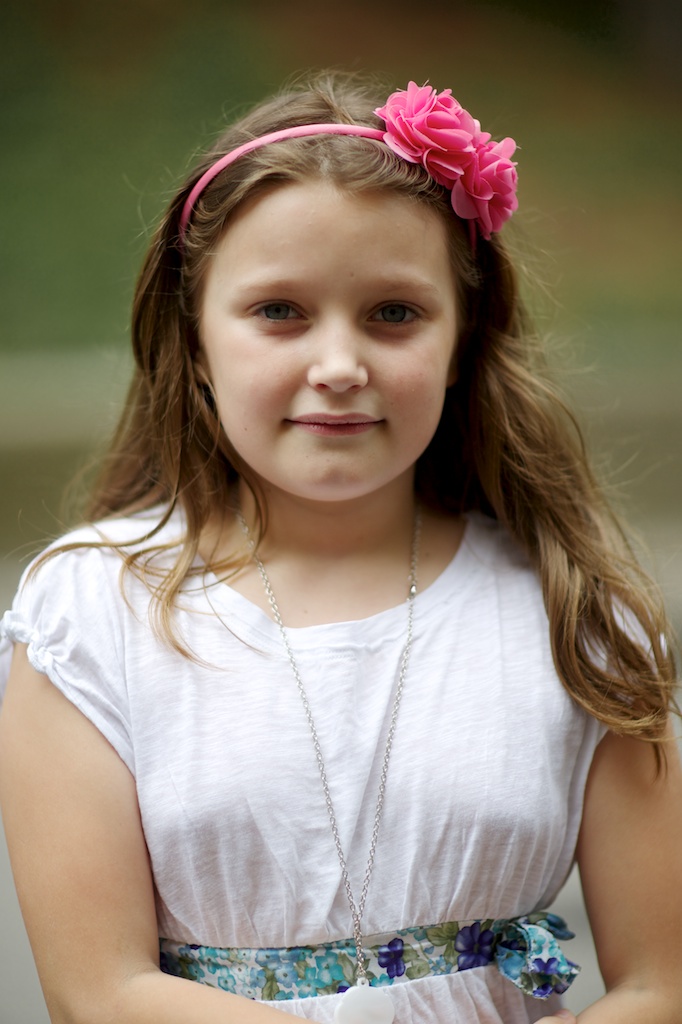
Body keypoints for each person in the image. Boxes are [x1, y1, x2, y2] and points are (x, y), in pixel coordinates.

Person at [0, 72, 680, 1024]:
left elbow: (661, 984)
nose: (338, 366)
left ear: (462, 340)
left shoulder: (574, 615)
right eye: (279, 311)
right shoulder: (87, 617)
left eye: (393, 313)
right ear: (195, 340)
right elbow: (99, 993)